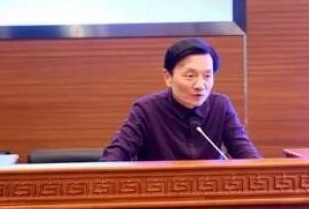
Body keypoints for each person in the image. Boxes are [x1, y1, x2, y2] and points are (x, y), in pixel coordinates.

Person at [101, 38, 261, 161]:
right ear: (168, 77)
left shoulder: (220, 106)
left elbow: (247, 155)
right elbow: (115, 156)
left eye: (207, 76)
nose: (200, 85)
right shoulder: (147, 110)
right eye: (190, 76)